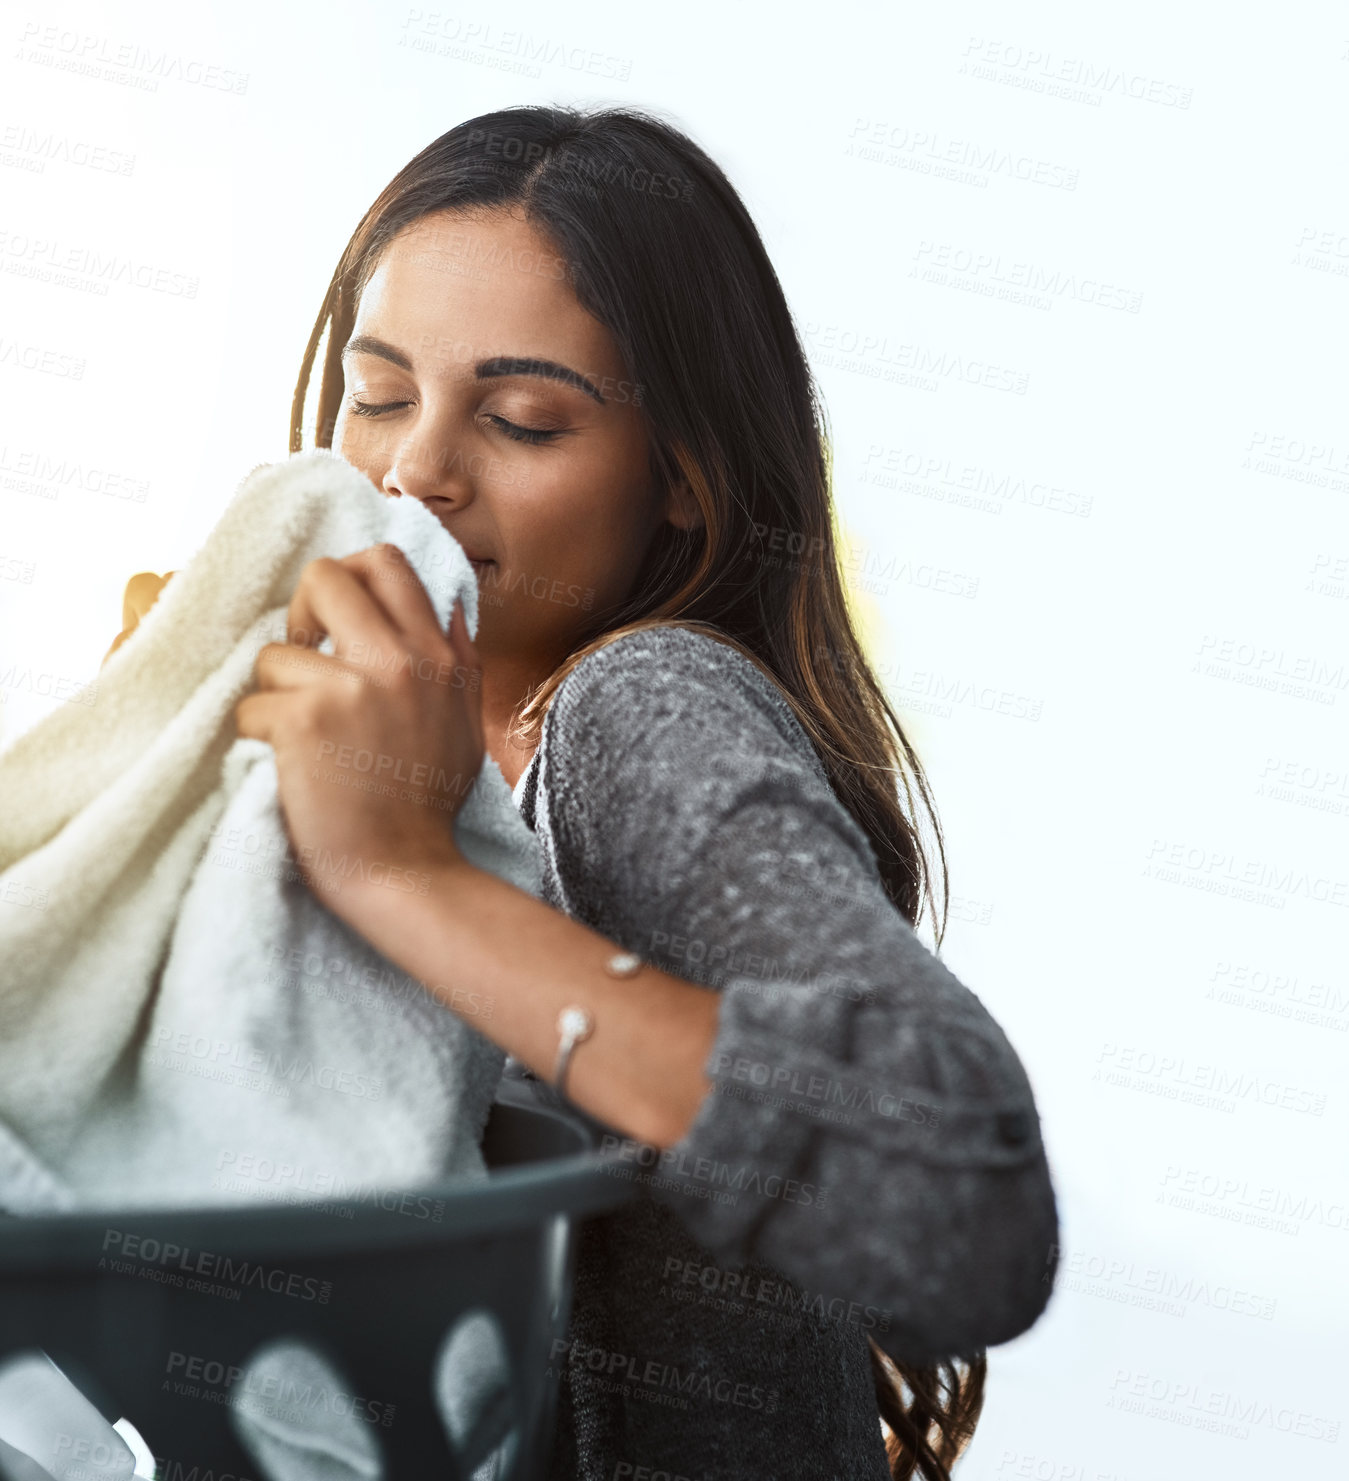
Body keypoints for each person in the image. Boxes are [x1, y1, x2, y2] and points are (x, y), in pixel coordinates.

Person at [124, 105, 1060, 1480]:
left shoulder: (639, 704)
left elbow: (963, 1198)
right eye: (378, 393)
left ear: (681, 478)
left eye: (520, 419)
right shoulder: (364, 748)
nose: (413, 472)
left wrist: (404, 877)